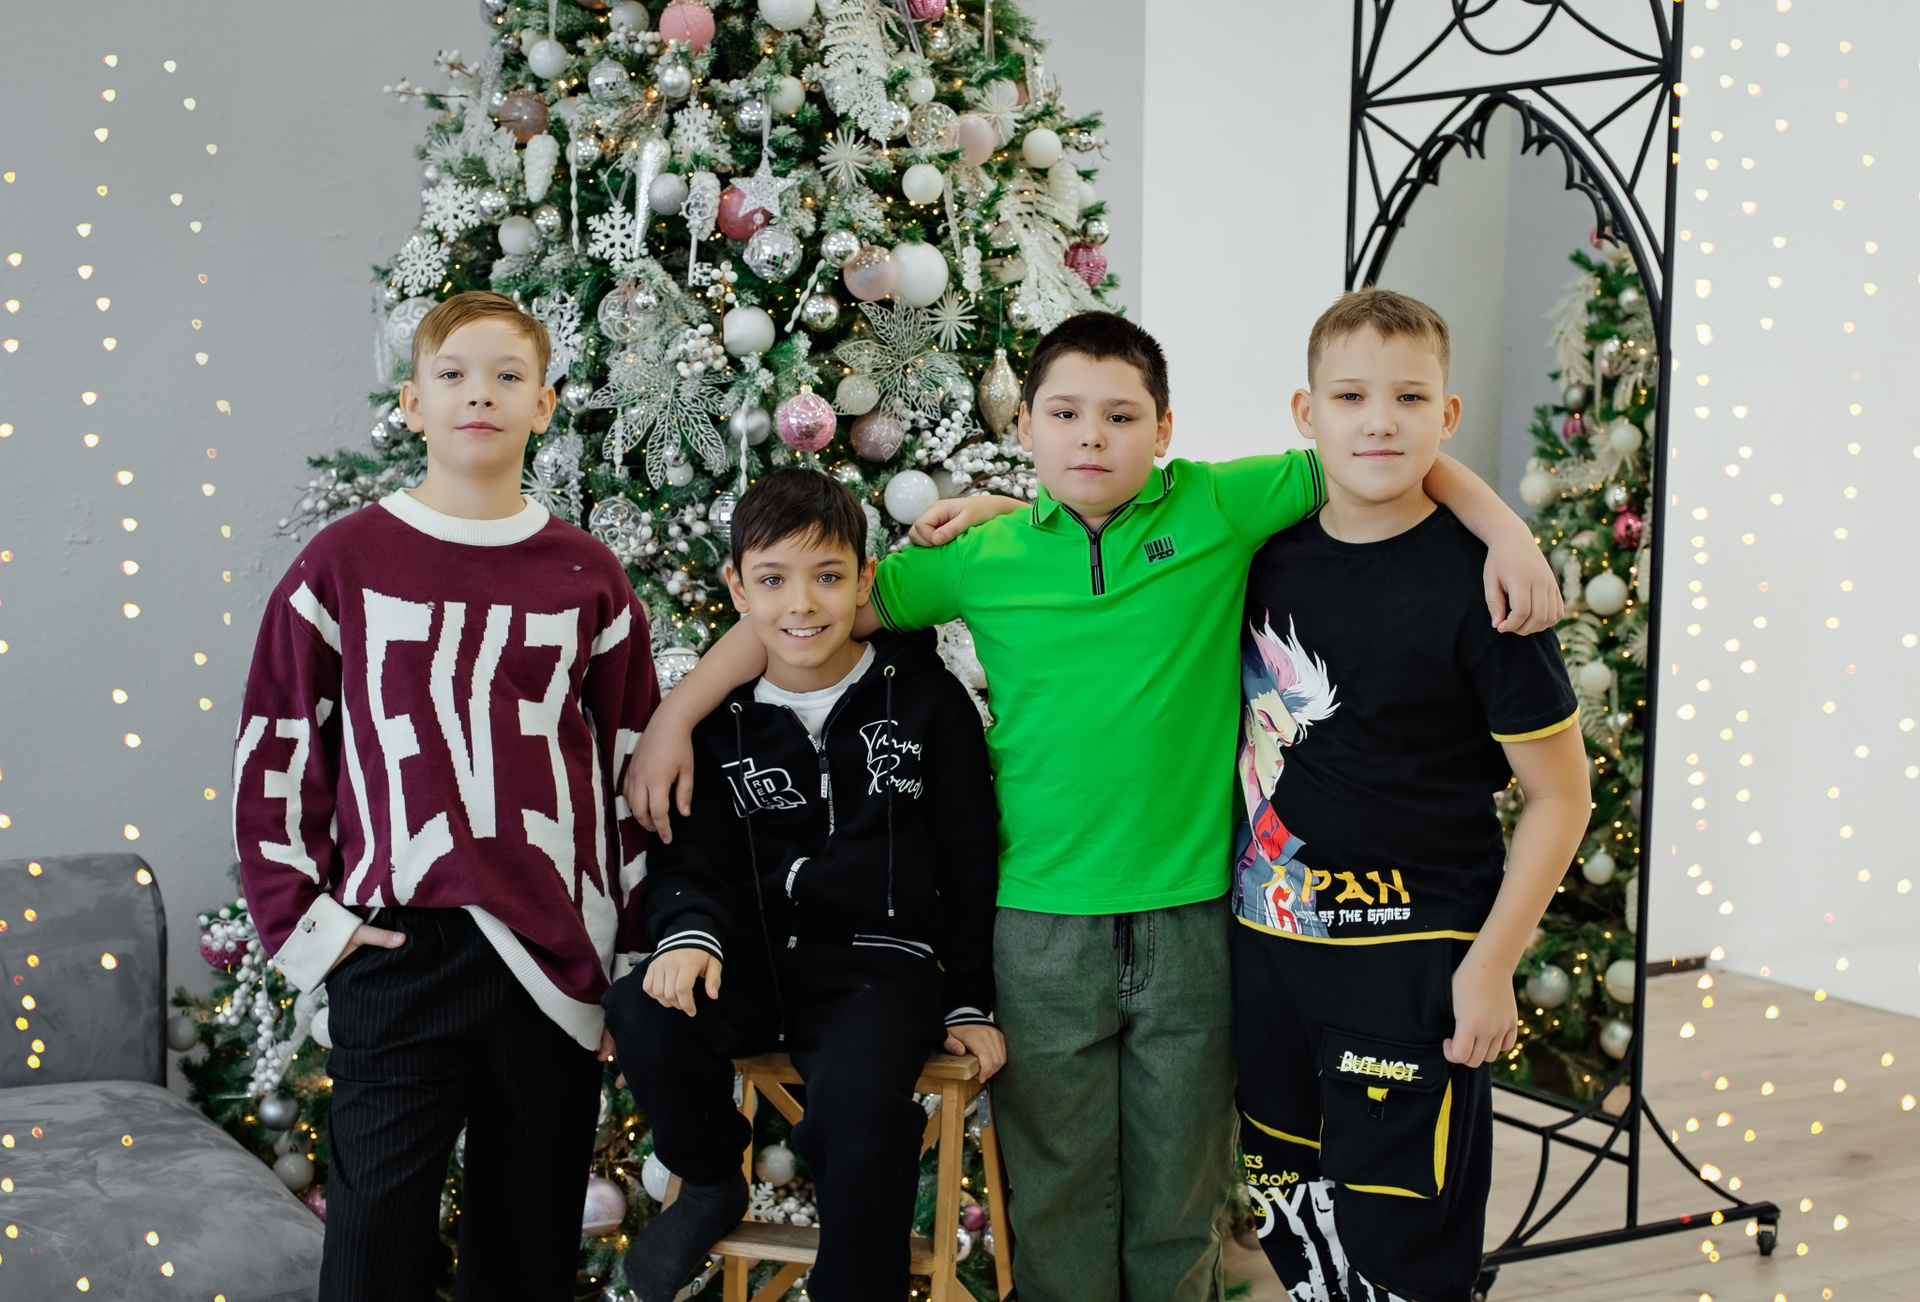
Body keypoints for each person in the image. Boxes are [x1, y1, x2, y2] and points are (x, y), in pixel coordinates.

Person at [626, 312, 1561, 1302]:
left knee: (1178, 1201)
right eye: (1065, 414)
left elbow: (1378, 454)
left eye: (1121, 416)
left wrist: (1507, 532)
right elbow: (809, 614)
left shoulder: (1219, 505)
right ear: (1025, 425)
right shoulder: (979, 558)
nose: (1091, 438)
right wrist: (677, 716)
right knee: (1057, 1198)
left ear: (1164, 431)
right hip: (1041, 928)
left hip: (1194, 919)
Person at [233, 291, 658, 1302]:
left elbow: (634, 770)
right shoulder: (342, 563)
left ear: (544, 405)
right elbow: (276, 746)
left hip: (550, 955)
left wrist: (629, 951)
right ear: (413, 404)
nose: (481, 395)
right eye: (454, 374)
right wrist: (310, 925)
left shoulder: (588, 575)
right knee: (372, 1250)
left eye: (509, 377)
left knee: (527, 1250)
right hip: (397, 948)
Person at [1231, 289, 1589, 1302]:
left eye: (1409, 397)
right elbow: (1119, 524)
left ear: (1448, 415)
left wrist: (1492, 966)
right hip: (1268, 957)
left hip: (1414, 964)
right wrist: (1001, 510)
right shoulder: (1256, 556)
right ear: (1307, 414)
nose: (1379, 421)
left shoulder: (1488, 587)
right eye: (1350, 396)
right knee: (1295, 1229)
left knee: (1404, 1247)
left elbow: (1561, 799)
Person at [601, 467, 1003, 1302]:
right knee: (642, 1007)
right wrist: (688, 937)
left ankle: (858, 1286)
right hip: (750, 960)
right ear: (737, 588)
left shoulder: (927, 702)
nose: (802, 604)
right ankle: (710, 1182)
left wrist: (969, 1000)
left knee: (861, 1110)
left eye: (827, 576)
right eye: (774, 580)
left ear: (864, 578)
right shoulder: (716, 725)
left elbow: (970, 861)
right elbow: (686, 858)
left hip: (879, 971)